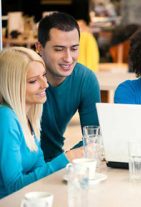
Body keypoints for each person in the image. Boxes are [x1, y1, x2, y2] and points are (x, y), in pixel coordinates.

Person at [0, 47, 82, 198]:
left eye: (43, 76)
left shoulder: (29, 117)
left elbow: (40, 169)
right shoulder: (5, 118)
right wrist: (66, 158)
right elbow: (13, 187)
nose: (45, 84)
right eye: (33, 81)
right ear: (12, 85)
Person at [35, 12, 101, 161]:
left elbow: (93, 138)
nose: (68, 58)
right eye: (59, 49)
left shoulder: (85, 79)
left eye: (74, 48)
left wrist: (65, 159)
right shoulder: (21, 76)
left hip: (54, 162)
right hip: (21, 167)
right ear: (39, 47)